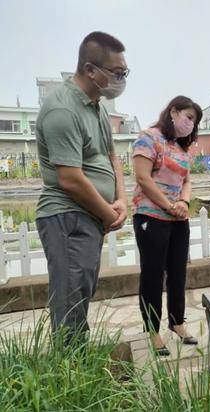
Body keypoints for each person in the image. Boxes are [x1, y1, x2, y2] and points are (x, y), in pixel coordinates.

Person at [35, 32, 129, 341]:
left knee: (81, 291)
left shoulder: (97, 106)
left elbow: (112, 155)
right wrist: (108, 214)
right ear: (91, 70)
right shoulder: (62, 109)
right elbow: (70, 179)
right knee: (70, 301)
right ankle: (69, 374)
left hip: (90, 215)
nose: (122, 78)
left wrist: (121, 202)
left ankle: (76, 366)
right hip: (68, 215)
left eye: (124, 72)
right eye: (117, 72)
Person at [132, 96, 202, 356]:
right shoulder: (149, 137)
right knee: (152, 274)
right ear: (173, 111)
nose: (191, 125)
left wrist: (183, 202)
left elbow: (186, 180)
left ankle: (177, 323)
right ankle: (152, 330)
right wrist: (168, 205)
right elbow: (142, 177)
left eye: (194, 122)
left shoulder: (181, 148)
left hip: (177, 218)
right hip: (150, 216)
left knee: (177, 272)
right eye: (188, 117)